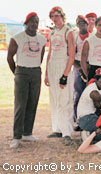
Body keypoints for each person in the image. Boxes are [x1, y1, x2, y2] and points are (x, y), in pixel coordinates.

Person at [7, 12, 46, 148]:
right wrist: (17, 73)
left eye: (36, 21)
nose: (34, 24)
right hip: (22, 71)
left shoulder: (42, 39)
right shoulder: (17, 38)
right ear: (26, 23)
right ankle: (16, 136)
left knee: (32, 102)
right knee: (20, 105)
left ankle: (27, 133)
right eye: (31, 21)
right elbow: (9, 57)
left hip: (35, 72)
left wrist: (34, 68)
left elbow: (41, 57)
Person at [44, 6, 75, 146]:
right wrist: (46, 73)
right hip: (53, 68)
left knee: (65, 100)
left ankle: (67, 132)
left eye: (57, 15)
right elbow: (49, 53)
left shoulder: (68, 32)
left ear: (62, 16)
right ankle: (57, 128)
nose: (55, 18)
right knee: (55, 99)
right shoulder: (52, 33)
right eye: (53, 16)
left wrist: (65, 75)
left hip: (64, 66)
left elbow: (72, 55)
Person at [73, 15, 89, 121]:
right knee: (78, 93)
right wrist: (78, 68)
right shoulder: (75, 37)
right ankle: (78, 119)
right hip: (78, 65)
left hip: (89, 65)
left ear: (87, 24)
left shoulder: (91, 37)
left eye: (83, 23)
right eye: (79, 23)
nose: (81, 25)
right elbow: (70, 54)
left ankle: (88, 117)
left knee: (89, 94)